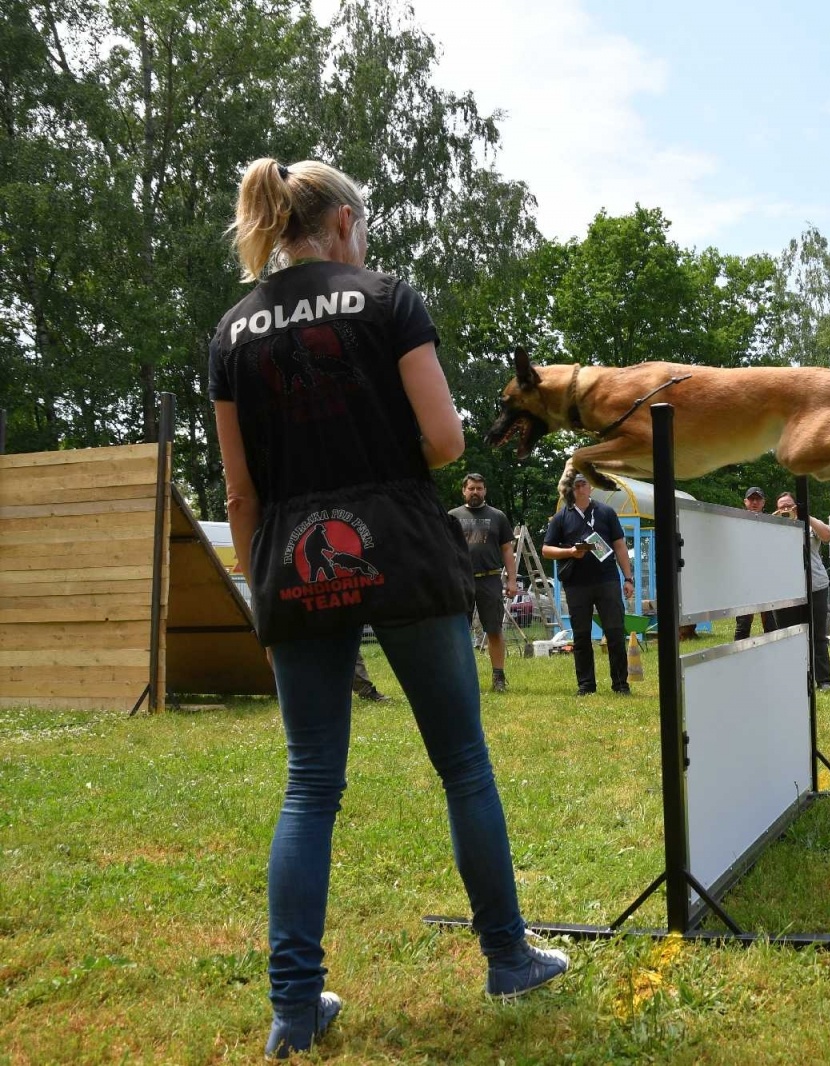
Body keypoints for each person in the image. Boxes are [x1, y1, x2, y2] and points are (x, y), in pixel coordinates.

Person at [209, 158, 564, 1058]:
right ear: (341, 225)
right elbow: (445, 441)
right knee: (463, 765)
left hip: (291, 558)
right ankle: (506, 958)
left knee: (310, 783)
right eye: (361, 227)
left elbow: (239, 491)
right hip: (403, 549)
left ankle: (293, 1012)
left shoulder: (232, 332)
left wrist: (265, 587)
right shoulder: (387, 297)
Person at [542, 473, 635, 695]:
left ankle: (620, 684)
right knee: (581, 635)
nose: (580, 489)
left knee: (614, 632)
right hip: (577, 584)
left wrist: (628, 578)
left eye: (583, 484)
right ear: (570, 489)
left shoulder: (606, 512)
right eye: (575, 485)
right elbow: (546, 550)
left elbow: (620, 546)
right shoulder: (561, 517)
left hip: (607, 580)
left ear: (591, 487)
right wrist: (570, 552)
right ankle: (586, 685)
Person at [448, 474, 517, 693]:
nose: (475, 492)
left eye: (479, 488)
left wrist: (512, 580)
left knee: (494, 630)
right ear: (464, 491)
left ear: (485, 490)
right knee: (459, 631)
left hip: (490, 578)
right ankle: (462, 679)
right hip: (461, 580)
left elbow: (508, 550)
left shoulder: (498, 516)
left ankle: (498, 678)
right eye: (471, 488)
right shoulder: (452, 516)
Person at [774, 490, 830, 690]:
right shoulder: (773, 524)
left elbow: (828, 535)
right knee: (788, 635)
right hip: (785, 590)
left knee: (818, 635)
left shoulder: (809, 522)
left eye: (789, 505)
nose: (785, 509)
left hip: (814, 586)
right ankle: (794, 677)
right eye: (781, 506)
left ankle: (823, 680)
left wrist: (805, 515)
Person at [734, 486, 778, 639]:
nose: (754, 502)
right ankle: (739, 658)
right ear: (745, 501)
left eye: (757, 499)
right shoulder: (736, 522)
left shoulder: (772, 523)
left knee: (771, 623)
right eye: (751, 499)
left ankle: (773, 654)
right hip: (745, 579)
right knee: (743, 623)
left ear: (763, 502)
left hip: (767, 579)